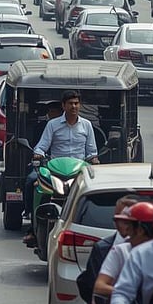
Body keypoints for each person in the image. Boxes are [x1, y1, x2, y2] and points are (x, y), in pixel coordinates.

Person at [23, 90, 99, 245]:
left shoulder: (87, 125)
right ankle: (32, 226)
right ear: (64, 106)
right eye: (70, 103)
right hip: (55, 170)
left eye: (76, 103)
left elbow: (91, 151)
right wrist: (38, 154)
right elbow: (41, 146)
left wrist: (94, 159)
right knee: (31, 181)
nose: (74, 106)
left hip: (79, 170)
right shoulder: (53, 124)